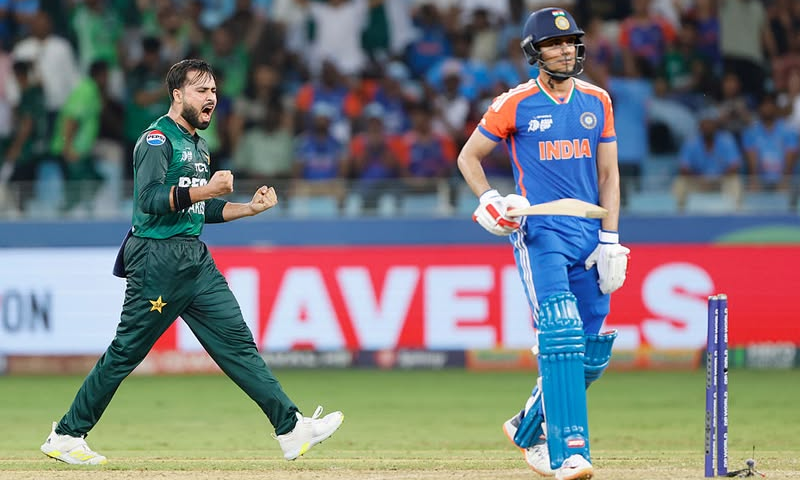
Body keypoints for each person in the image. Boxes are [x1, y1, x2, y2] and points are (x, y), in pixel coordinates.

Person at [40, 59, 343, 466]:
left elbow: (201, 209)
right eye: (202, 90)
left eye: (214, 90)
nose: (211, 98)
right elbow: (149, 199)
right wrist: (205, 190)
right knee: (126, 352)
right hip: (156, 258)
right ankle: (66, 435)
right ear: (177, 94)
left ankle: (290, 429)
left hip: (193, 258)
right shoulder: (156, 140)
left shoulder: (199, 145)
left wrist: (248, 208)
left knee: (237, 344)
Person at [456, 8, 629, 480]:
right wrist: (490, 199)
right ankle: (569, 452)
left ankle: (527, 424)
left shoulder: (598, 100)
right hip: (540, 232)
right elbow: (469, 157)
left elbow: (609, 175)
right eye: (554, 44)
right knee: (561, 331)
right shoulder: (515, 103)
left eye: (570, 42)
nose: (565, 50)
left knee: (590, 352)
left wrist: (611, 240)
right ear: (535, 52)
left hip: (590, 233)